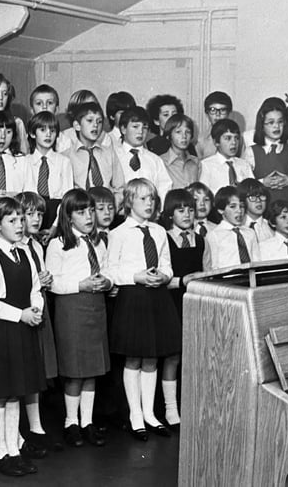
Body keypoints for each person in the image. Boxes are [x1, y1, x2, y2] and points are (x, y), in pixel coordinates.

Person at [107, 178, 180, 441]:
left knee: (152, 357)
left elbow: (168, 266)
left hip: (157, 297)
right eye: (142, 199)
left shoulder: (160, 231)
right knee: (134, 358)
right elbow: (111, 271)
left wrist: (163, 275)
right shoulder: (118, 234)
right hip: (133, 298)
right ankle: (135, 415)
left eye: (151, 198)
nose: (149, 203)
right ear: (129, 202)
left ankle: (150, 414)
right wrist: (136, 276)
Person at [0, 197, 45, 477]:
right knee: (0, 394)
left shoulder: (25, 253)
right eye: (12, 221)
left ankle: (14, 451)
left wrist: (36, 308)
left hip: (23, 329)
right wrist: (21, 315)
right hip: (1, 332)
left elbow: (35, 288)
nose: (20, 225)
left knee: (16, 391)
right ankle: (0, 452)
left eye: (21, 219)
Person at [46, 188, 111, 447]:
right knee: (74, 370)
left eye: (91, 211)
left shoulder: (97, 242)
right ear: (68, 216)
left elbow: (107, 271)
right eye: (81, 212)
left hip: (96, 306)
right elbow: (52, 283)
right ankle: (71, 422)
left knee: (92, 368)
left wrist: (106, 281)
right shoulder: (58, 243)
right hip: (71, 308)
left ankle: (87, 421)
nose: (88, 217)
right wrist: (79, 285)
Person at [14, 192, 59, 456]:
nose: (35, 218)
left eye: (40, 214)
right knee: (21, 372)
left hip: (40, 307)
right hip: (22, 310)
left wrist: (46, 279)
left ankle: (37, 427)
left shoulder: (37, 245)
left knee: (38, 370)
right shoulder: (13, 246)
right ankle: (17, 433)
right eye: (29, 214)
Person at [160, 189, 208, 430]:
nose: (187, 214)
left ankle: (193, 407)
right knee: (173, 357)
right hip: (172, 301)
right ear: (170, 214)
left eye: (190, 209)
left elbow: (207, 271)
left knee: (195, 357)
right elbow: (160, 277)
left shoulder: (200, 240)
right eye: (181, 210)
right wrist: (183, 280)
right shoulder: (164, 238)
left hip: (196, 302)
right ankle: (171, 410)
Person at [242, 97, 288, 205]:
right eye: (270, 122)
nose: (276, 126)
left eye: (280, 122)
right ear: (262, 125)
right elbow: (246, 184)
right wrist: (262, 182)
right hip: (262, 207)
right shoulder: (251, 152)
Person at [113, 106, 173, 201]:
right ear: (123, 129)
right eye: (135, 127)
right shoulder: (113, 156)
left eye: (144, 127)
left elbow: (164, 189)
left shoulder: (155, 160)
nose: (140, 132)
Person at [64, 102, 123, 195]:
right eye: (90, 120)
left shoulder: (109, 153)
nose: (95, 125)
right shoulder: (67, 157)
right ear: (77, 126)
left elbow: (120, 188)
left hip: (107, 205)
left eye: (99, 121)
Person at [204, 186, 260, 270]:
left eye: (241, 206)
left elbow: (257, 261)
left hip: (251, 279)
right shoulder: (214, 235)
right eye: (233, 206)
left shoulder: (250, 233)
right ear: (221, 210)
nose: (239, 210)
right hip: (227, 281)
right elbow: (213, 267)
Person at [198, 118, 253, 195]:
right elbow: (204, 194)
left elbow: (252, 190)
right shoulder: (206, 165)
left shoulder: (244, 165)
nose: (234, 142)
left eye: (236, 138)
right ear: (216, 142)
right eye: (228, 138)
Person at [26, 111, 74, 200]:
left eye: (52, 131)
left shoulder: (64, 161)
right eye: (43, 130)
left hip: (57, 207)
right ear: (32, 134)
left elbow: (68, 195)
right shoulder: (25, 161)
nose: (48, 134)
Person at [159, 114, 199, 189]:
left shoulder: (196, 162)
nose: (184, 136)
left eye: (188, 132)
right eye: (178, 132)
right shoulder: (160, 162)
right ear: (169, 135)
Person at [29, 84, 70, 153]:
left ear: (56, 110)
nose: (44, 107)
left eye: (50, 103)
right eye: (39, 103)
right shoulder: (26, 140)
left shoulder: (65, 142)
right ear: (32, 111)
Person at [197, 91, 233, 159]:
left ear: (229, 112)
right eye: (213, 110)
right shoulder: (200, 140)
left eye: (222, 110)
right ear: (207, 113)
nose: (217, 114)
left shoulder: (237, 138)